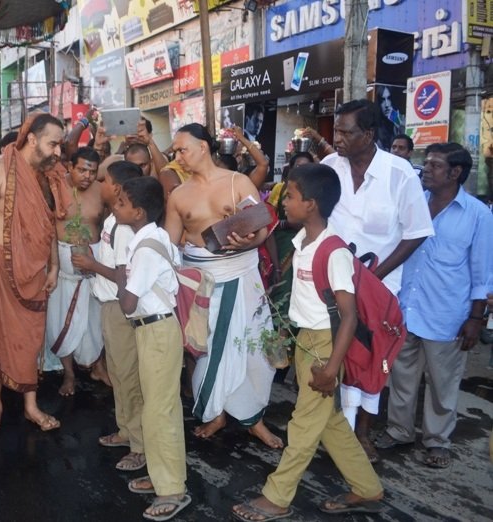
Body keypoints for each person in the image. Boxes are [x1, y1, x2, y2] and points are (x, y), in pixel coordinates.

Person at [231, 163, 384, 521]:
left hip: (325, 348)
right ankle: (367, 487)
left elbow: (349, 316)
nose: (284, 201)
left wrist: (331, 368)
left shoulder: (334, 252)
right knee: (329, 423)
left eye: (292, 196)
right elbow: (305, 299)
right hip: (307, 342)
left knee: (302, 425)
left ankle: (277, 497)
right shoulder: (302, 242)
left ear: (312, 204)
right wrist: (286, 332)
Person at [321, 99, 434, 463]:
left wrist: (373, 276)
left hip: (379, 288)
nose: (337, 138)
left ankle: (363, 433)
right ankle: (336, 430)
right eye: (335, 130)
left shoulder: (399, 173)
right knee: (336, 356)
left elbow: (417, 233)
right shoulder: (329, 167)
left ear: (368, 135)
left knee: (370, 360)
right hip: (332, 283)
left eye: (345, 131)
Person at [374, 143, 492, 468]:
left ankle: (437, 440)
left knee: (443, 382)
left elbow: (483, 273)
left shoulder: (478, 215)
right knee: (401, 375)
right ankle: (399, 431)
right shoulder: (415, 204)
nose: (425, 169)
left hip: (447, 315)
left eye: (434, 165)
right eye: (425, 163)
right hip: (407, 309)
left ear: (455, 173)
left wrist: (476, 317)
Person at [164, 124, 282, 448]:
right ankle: (215, 412)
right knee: (206, 350)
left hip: (243, 276)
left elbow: (262, 228)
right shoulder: (178, 194)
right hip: (201, 283)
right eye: (175, 151)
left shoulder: (237, 182)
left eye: (182, 149)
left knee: (254, 350)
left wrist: (249, 241)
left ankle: (253, 419)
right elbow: (170, 245)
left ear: (203, 147)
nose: (178, 156)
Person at [0, 112, 66, 434]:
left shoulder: (44, 176)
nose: (57, 152)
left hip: (35, 272)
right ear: (33, 139)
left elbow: (47, 225)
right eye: (53, 144)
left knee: (30, 337)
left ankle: (30, 406)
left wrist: (54, 265)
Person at [115, 176, 191, 522]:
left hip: (156, 331)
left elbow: (128, 304)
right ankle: (163, 473)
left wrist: (119, 277)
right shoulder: (156, 236)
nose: (116, 207)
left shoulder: (145, 249)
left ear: (139, 212)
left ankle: (172, 489)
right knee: (160, 407)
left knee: (159, 411)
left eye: (121, 203)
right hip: (158, 330)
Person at [72, 160, 145, 472]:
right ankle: (126, 430)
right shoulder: (112, 221)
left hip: (119, 306)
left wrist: (91, 265)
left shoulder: (124, 227)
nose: (97, 184)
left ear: (116, 187)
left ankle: (140, 446)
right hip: (108, 305)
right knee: (118, 373)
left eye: (103, 179)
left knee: (128, 377)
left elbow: (124, 277)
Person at [43, 147, 109, 396]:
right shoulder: (55, 189)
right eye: (81, 169)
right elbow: (48, 228)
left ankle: (98, 366)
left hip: (93, 265)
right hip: (61, 266)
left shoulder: (102, 191)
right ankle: (69, 374)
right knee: (60, 321)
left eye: (92, 171)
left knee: (96, 319)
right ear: (70, 166)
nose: (87, 176)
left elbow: (106, 224)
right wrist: (53, 264)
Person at [265, 152, 315, 316]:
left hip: (307, 243)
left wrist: (287, 224)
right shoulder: (281, 189)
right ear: (291, 168)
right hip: (283, 244)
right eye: (298, 166)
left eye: (307, 166)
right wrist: (283, 224)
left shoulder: (316, 191)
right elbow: (269, 217)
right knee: (282, 287)